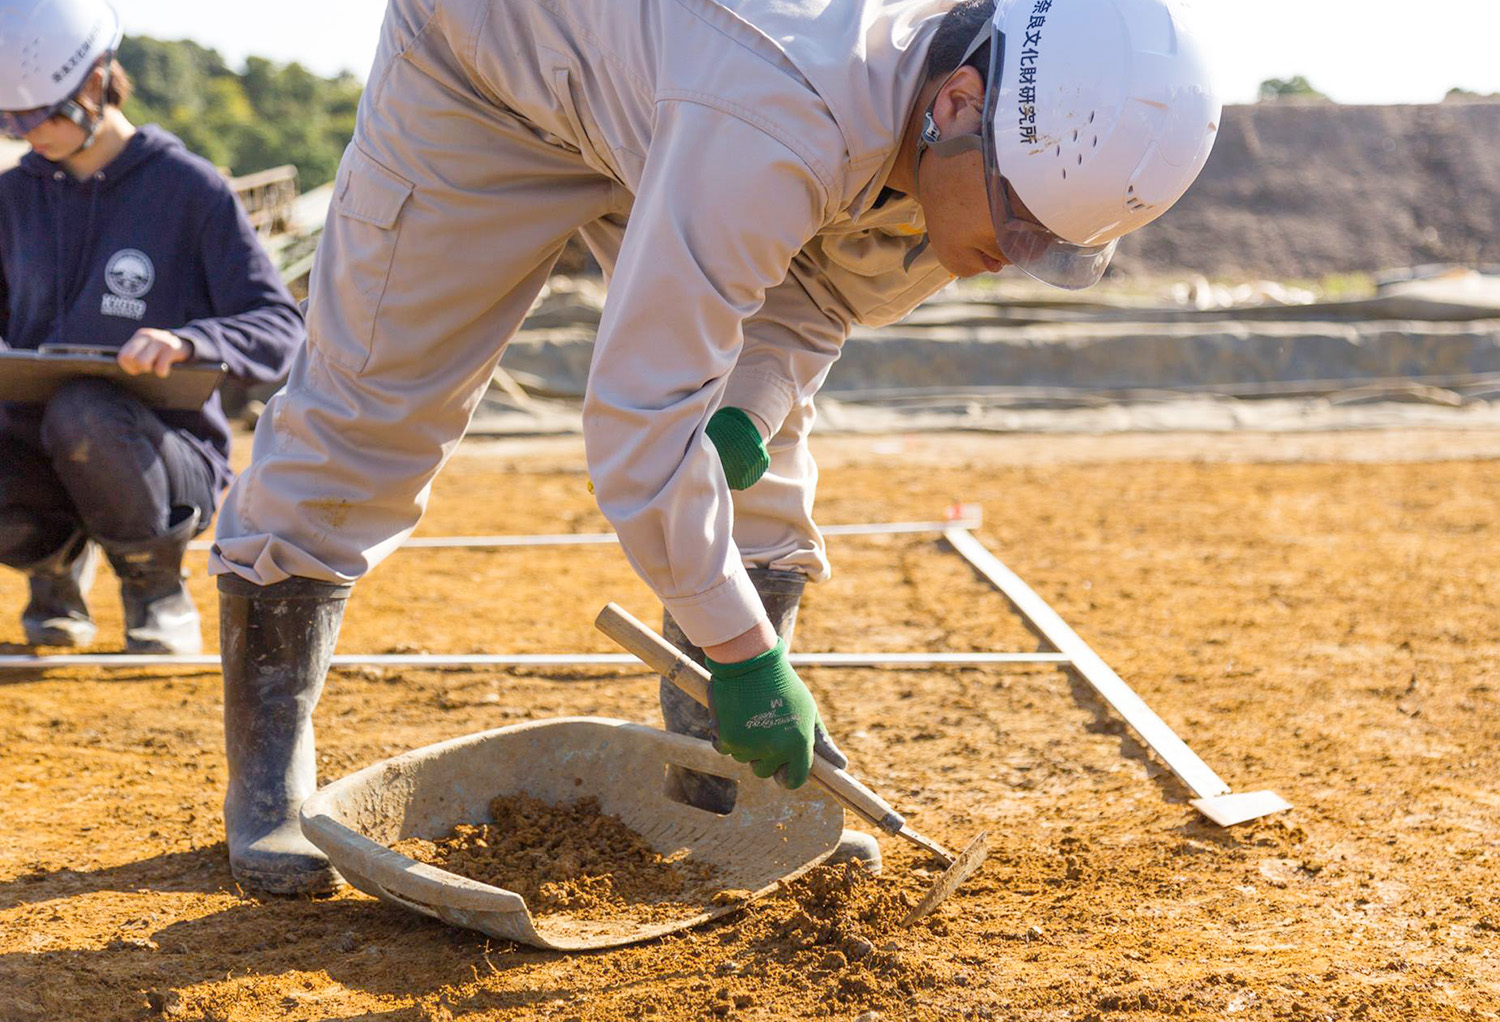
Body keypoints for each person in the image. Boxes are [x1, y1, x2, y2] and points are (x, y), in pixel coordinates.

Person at [210, 0, 1221, 895]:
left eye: (1054, 248)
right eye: (1021, 227)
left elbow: (819, 300)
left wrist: (750, 406)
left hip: (685, 84)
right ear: (956, 103)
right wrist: (746, 661)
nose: (1019, 260)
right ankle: (269, 775)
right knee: (374, 403)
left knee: (767, 471)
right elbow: (637, 427)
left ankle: (719, 782)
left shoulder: (974, 153)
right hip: (493, 69)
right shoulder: (783, 111)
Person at [0, 0, 301, 654]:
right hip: (39, 448)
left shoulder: (188, 189)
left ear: (95, 80)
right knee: (57, 416)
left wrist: (192, 342)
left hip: (165, 458)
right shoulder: (12, 199)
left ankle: (154, 590)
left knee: (82, 412)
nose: (26, 132)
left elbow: (282, 327)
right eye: (8, 119)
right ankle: (51, 575)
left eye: (40, 113)